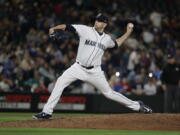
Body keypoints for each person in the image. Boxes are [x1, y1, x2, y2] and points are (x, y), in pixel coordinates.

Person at [33, 13, 152, 119]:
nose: (96, 22)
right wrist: (53, 28)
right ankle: (47, 112)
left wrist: (128, 32)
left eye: (100, 21)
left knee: (109, 94)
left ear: (105, 24)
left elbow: (117, 44)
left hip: (95, 71)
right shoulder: (85, 30)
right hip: (78, 68)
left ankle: (137, 105)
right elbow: (68, 27)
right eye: (96, 20)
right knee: (59, 83)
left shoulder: (106, 39)